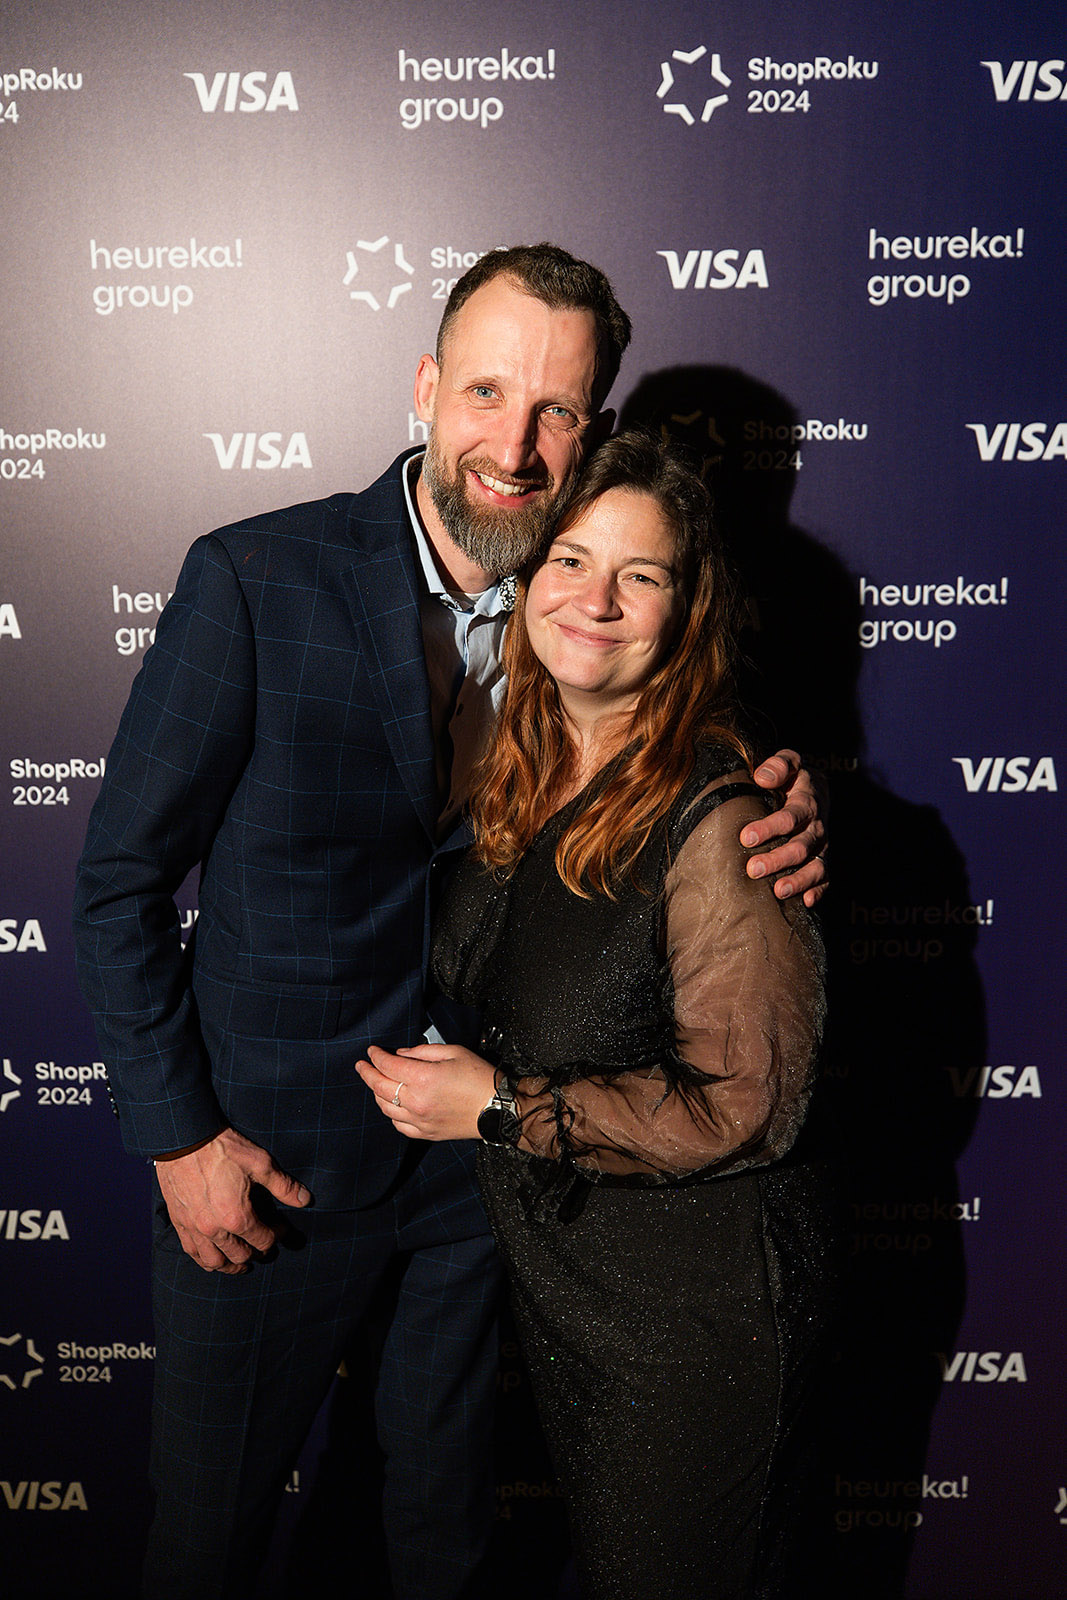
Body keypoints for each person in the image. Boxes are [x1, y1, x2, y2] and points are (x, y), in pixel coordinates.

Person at [73, 245, 827, 1600]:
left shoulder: (567, 601)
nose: (515, 444)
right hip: (266, 1174)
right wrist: (179, 1137)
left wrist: (770, 791)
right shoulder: (257, 579)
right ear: (425, 387)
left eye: (555, 410)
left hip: (476, 1190)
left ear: (591, 426)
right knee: (205, 1545)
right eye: (486, 392)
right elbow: (118, 883)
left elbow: (661, 745)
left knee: (441, 1551)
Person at [357, 430, 837, 1600]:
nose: (596, 599)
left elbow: (748, 1105)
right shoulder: (513, 762)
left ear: (686, 609)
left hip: (694, 1322)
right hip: (568, 1294)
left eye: (641, 574)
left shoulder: (724, 818)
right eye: (570, 559)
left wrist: (499, 1107)